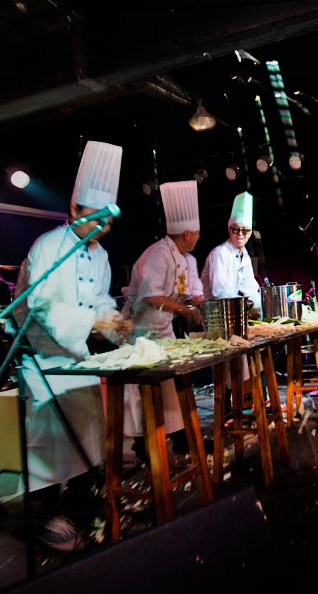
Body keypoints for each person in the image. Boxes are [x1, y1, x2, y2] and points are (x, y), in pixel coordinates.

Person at [14, 140, 133, 551]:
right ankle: (44, 517)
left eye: (108, 223)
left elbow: (99, 299)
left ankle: (82, 508)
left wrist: (113, 319)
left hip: (77, 360)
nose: (102, 229)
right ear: (74, 209)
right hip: (44, 362)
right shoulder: (48, 247)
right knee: (47, 446)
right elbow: (43, 305)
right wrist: (90, 320)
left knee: (86, 439)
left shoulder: (99, 256)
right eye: (95, 219)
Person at [121, 180, 204, 456]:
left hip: (164, 332)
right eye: (198, 231)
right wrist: (184, 311)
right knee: (146, 393)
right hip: (140, 334)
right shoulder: (158, 255)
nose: (199, 235)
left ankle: (182, 441)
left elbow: (194, 294)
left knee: (174, 385)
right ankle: (145, 445)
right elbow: (150, 297)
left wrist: (205, 308)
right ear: (189, 232)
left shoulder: (187, 259)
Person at [200, 191, 262, 401]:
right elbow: (221, 292)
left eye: (244, 230)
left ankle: (249, 400)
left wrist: (257, 309)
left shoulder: (243, 255)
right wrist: (246, 306)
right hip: (217, 320)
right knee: (233, 365)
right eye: (236, 230)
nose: (240, 234)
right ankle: (232, 403)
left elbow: (250, 287)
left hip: (234, 321)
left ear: (250, 232)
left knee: (251, 358)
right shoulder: (220, 254)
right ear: (229, 229)